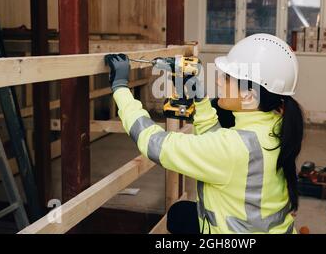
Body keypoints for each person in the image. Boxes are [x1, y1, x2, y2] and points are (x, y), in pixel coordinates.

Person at [104, 33, 304, 234]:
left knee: (180, 217)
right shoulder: (276, 124)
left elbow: (155, 144)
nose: (218, 81)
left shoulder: (234, 148)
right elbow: (218, 143)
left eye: (227, 77)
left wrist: (121, 89)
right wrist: (198, 97)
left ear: (249, 96)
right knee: (181, 214)